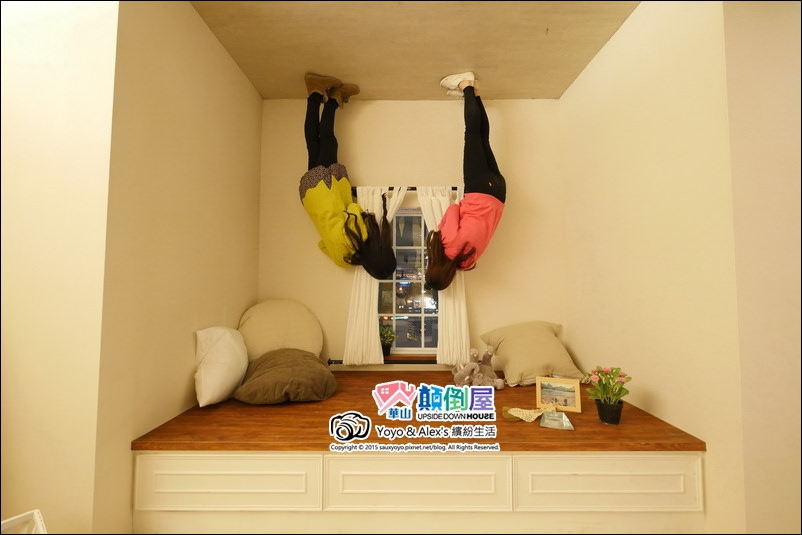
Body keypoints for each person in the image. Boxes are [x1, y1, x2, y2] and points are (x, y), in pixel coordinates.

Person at [299, 73, 396, 281]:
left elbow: (353, 208)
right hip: (312, 197)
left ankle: (330, 98)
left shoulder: (361, 237)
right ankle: (316, 95)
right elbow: (322, 245)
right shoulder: (343, 260)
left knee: (328, 140)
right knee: (313, 145)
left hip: (327, 189)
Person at [425, 72, 506, 291]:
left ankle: (474, 94)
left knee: (482, 139)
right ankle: (465, 85)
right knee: (472, 135)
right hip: (479, 190)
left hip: (498, 194)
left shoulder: (467, 261)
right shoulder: (448, 247)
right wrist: (440, 229)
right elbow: (453, 210)